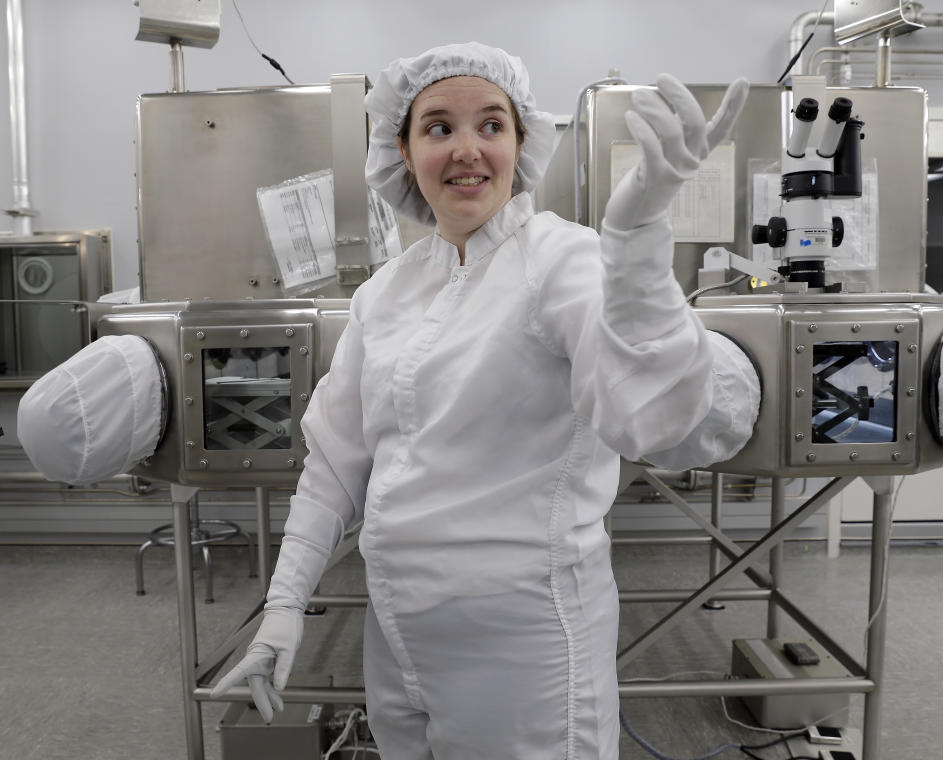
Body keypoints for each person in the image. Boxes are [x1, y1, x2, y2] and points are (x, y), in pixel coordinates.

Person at [212, 42, 759, 759]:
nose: (467, 149)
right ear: (403, 152)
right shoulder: (386, 293)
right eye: (438, 128)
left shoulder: (562, 261)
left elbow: (646, 412)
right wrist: (284, 605)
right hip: (400, 636)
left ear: (522, 142)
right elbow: (335, 466)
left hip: (524, 648)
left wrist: (636, 246)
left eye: (491, 126)